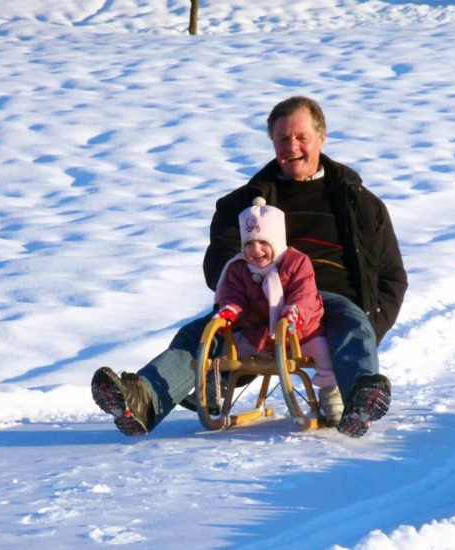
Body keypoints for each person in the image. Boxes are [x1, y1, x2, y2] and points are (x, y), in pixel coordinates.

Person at [91, 96, 407, 438]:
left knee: (352, 323)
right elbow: (220, 257)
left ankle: (361, 396)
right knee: (197, 334)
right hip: (260, 299)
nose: (293, 147)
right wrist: (246, 280)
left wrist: (372, 323)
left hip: (327, 302)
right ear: (272, 143)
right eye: (283, 139)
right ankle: (141, 399)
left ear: (321, 137)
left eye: (301, 137)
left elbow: (391, 277)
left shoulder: (358, 203)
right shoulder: (244, 203)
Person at [209, 196, 342, 424]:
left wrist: (293, 312)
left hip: (301, 332)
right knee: (223, 351)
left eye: (263, 243)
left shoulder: (296, 262)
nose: (255, 250)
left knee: (324, 353)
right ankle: (213, 389)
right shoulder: (239, 268)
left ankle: (332, 397)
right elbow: (234, 295)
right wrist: (230, 310)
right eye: (248, 244)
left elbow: (304, 293)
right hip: (260, 333)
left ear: (277, 241)